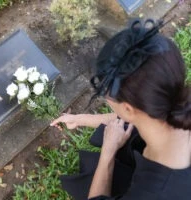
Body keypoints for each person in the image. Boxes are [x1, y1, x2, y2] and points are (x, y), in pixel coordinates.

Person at [50, 19, 191, 200]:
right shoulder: (168, 106)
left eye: (107, 97)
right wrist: (79, 119)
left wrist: (108, 153)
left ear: (127, 108)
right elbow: (133, 116)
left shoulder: (152, 193)